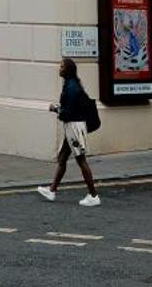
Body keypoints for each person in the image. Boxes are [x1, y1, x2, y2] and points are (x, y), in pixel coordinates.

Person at [36, 57, 101, 207]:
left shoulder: (71, 87)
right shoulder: (71, 85)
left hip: (74, 127)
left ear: (68, 70)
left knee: (81, 160)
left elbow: (68, 112)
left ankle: (93, 195)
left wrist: (55, 109)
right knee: (62, 157)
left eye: (62, 66)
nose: (59, 68)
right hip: (72, 127)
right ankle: (52, 190)